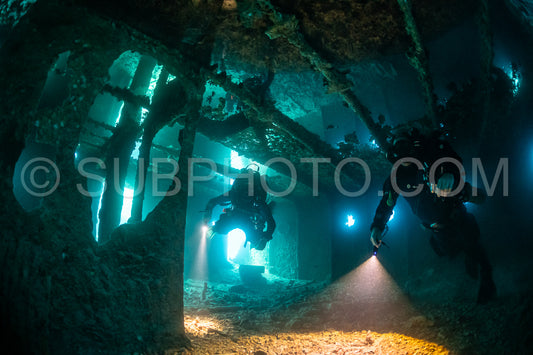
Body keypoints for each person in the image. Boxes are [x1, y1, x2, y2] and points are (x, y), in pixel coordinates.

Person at [370, 128, 497, 304]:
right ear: (392, 154)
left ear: (413, 147)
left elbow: (452, 160)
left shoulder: (430, 160)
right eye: (398, 148)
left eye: (406, 146)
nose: (403, 153)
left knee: (471, 243)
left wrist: (449, 173)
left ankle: (486, 277)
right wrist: (377, 226)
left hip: (456, 216)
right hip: (436, 229)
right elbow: (386, 203)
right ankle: (469, 261)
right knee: (449, 251)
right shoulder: (395, 179)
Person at [203, 166, 276, 251]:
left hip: (244, 220)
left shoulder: (254, 199)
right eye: (244, 192)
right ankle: (216, 228)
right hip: (239, 219)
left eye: (248, 192)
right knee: (220, 228)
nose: (246, 195)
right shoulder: (237, 195)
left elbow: (213, 201)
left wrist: (265, 238)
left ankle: (217, 228)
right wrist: (208, 214)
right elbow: (271, 222)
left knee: (256, 240)